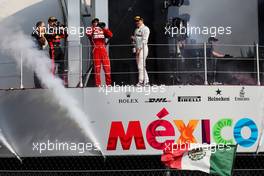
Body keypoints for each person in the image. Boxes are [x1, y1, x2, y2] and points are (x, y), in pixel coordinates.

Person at [86, 18, 113, 87]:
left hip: (103, 50)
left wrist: (103, 28)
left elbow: (110, 35)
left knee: (107, 67)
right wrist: (94, 28)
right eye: (95, 22)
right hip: (96, 50)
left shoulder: (102, 30)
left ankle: (108, 84)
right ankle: (98, 84)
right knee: (97, 69)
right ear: (93, 24)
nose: (97, 23)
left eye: (97, 22)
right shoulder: (91, 29)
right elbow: (88, 33)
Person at [131, 16, 150, 86]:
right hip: (137, 49)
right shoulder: (136, 30)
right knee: (141, 66)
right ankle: (147, 81)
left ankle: (141, 81)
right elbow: (136, 41)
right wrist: (134, 40)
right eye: (136, 21)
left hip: (143, 49)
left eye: (138, 21)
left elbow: (145, 40)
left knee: (140, 65)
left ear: (142, 20)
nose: (137, 22)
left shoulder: (146, 29)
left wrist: (139, 49)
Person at [31, 21, 47, 88]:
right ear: (39, 27)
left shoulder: (37, 33)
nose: (44, 28)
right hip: (36, 54)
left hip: (39, 54)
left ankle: (40, 84)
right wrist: (42, 34)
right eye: (43, 26)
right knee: (37, 70)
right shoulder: (36, 33)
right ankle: (38, 85)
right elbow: (43, 42)